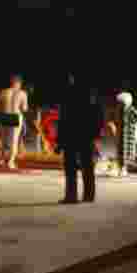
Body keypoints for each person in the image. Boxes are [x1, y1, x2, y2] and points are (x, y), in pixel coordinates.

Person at [59, 72, 104, 204]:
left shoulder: (68, 93)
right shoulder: (92, 94)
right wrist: (96, 134)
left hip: (71, 134)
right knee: (88, 165)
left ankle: (71, 196)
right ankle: (89, 195)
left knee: (71, 166)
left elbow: (64, 117)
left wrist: (60, 140)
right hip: (87, 134)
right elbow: (99, 115)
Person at [0, 74, 28, 169]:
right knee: (14, 140)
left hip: (5, 115)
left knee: (4, 140)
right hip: (16, 115)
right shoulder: (22, 93)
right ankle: (10, 162)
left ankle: (1, 160)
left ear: (11, 82)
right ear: (19, 83)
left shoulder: (3, 92)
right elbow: (24, 109)